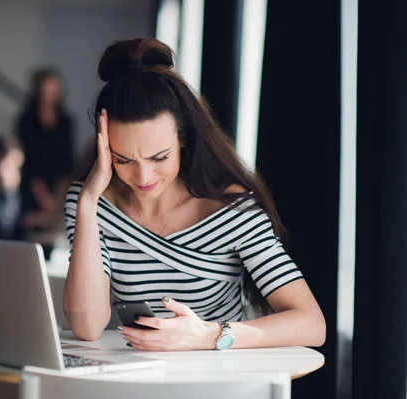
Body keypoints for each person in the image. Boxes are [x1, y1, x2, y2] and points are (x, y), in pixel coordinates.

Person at [63, 37, 326, 351]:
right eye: (123, 160)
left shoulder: (232, 210)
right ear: (104, 148)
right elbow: (87, 327)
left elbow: (312, 324)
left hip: (217, 384)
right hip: (136, 381)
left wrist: (210, 336)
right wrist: (88, 202)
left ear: (184, 138)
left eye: (159, 157)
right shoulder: (92, 206)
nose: (143, 177)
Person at [16, 68, 74, 235]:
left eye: (53, 88)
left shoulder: (66, 122)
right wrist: (45, 199)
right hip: (32, 190)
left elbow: (67, 161)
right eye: (45, 89)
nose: (48, 94)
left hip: (59, 190)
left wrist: (56, 198)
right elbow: (28, 161)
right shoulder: (26, 121)